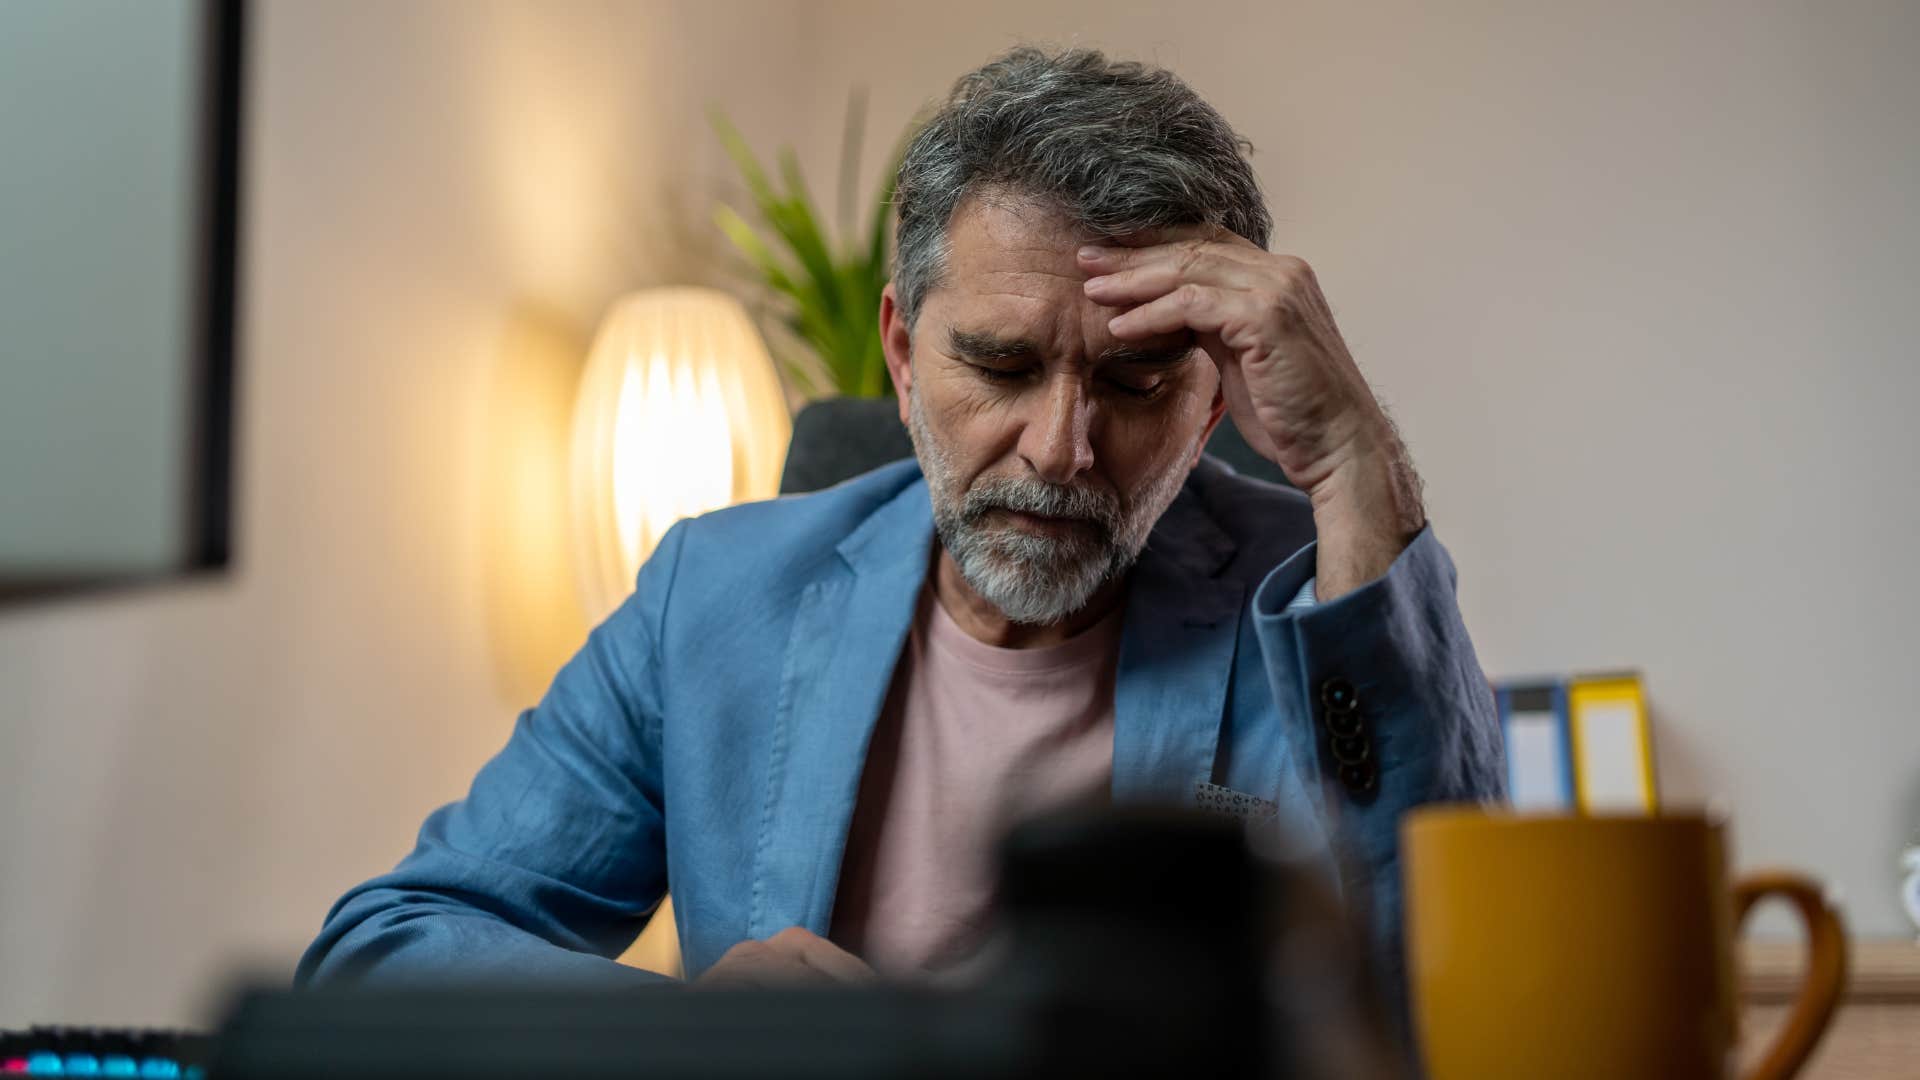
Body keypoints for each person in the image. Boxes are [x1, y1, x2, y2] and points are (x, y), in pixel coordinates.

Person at [296, 45, 1503, 1022]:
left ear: (1215, 396)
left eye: (1136, 383)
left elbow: (1454, 1002)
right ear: (902, 353)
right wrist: (685, 1034)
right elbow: (384, 953)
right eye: (1001, 365)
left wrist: (1357, 461)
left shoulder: (1322, 602)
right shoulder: (714, 598)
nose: (1059, 447)